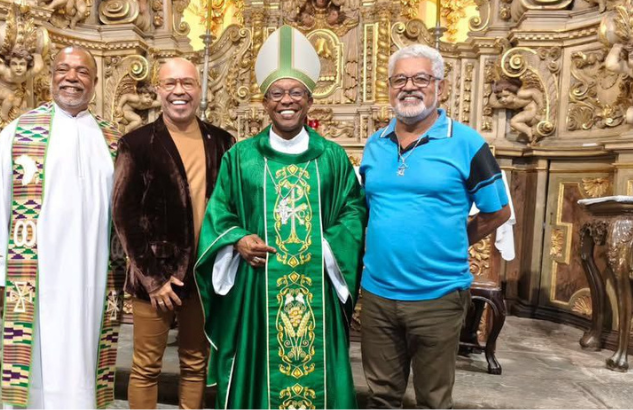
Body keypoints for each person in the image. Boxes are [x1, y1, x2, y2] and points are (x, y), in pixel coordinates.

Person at [195, 25, 367, 409]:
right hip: (259, 292)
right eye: (277, 93)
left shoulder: (332, 157)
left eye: (295, 93)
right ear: (265, 101)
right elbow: (219, 213)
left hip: (318, 289)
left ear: (309, 100)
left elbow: (353, 212)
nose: (286, 100)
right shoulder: (241, 157)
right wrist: (237, 239)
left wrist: (323, 246)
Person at [0, 45, 124, 409]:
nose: (71, 78)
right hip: (37, 273)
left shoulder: (113, 139)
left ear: (94, 83)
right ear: (50, 78)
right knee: (39, 355)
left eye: (82, 72)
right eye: (63, 70)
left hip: (96, 272)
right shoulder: (19, 133)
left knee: (88, 348)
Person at [359, 44, 511, 409]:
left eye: (421, 78)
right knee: (381, 397)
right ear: (390, 87)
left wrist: (455, 240)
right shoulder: (375, 145)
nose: (409, 86)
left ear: (440, 87)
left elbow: (499, 211)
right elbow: (368, 210)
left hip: (437, 296)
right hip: (378, 295)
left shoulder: (467, 143)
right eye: (400, 79)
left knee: (433, 399)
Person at [112, 57, 234, 409]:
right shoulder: (136, 143)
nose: (179, 91)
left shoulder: (222, 141)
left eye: (187, 83)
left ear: (199, 89)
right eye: (170, 83)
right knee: (146, 367)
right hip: (155, 277)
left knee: (196, 365)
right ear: (158, 90)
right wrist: (154, 278)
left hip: (203, 274)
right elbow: (124, 214)